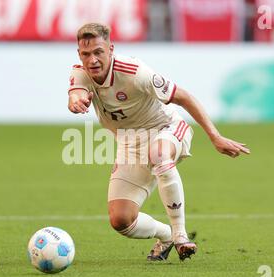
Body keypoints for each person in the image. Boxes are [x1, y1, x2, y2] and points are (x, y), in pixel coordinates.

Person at [67, 23, 250, 261]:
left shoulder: (134, 72)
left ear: (110, 49)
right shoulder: (80, 72)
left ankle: (181, 235)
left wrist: (215, 137)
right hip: (130, 144)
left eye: (98, 52)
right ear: (79, 54)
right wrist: (75, 101)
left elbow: (183, 97)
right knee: (121, 220)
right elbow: (76, 92)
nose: (92, 60)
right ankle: (167, 236)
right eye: (86, 54)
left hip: (167, 128)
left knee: (159, 154)